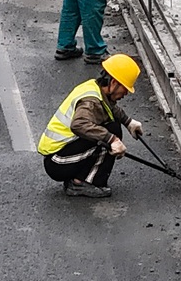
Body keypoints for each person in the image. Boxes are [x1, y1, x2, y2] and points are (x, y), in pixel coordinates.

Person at [38, 54, 145, 198]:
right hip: (57, 163)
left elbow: (109, 107)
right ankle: (83, 183)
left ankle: (80, 178)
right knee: (108, 136)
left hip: (60, 156)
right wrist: (112, 140)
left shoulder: (95, 87)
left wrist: (128, 122)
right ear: (113, 83)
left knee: (112, 127)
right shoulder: (90, 101)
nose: (126, 93)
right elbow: (79, 125)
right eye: (125, 88)